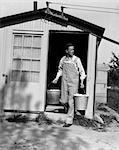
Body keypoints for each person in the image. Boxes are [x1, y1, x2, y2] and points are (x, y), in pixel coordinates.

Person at [52, 43, 86, 127]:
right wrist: (56, 78)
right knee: (63, 100)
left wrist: (82, 82)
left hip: (74, 82)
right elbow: (60, 70)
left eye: (73, 49)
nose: (72, 51)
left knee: (71, 101)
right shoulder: (63, 59)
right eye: (71, 50)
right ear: (66, 51)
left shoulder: (76, 60)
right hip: (64, 81)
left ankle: (69, 120)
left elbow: (82, 72)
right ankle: (70, 112)